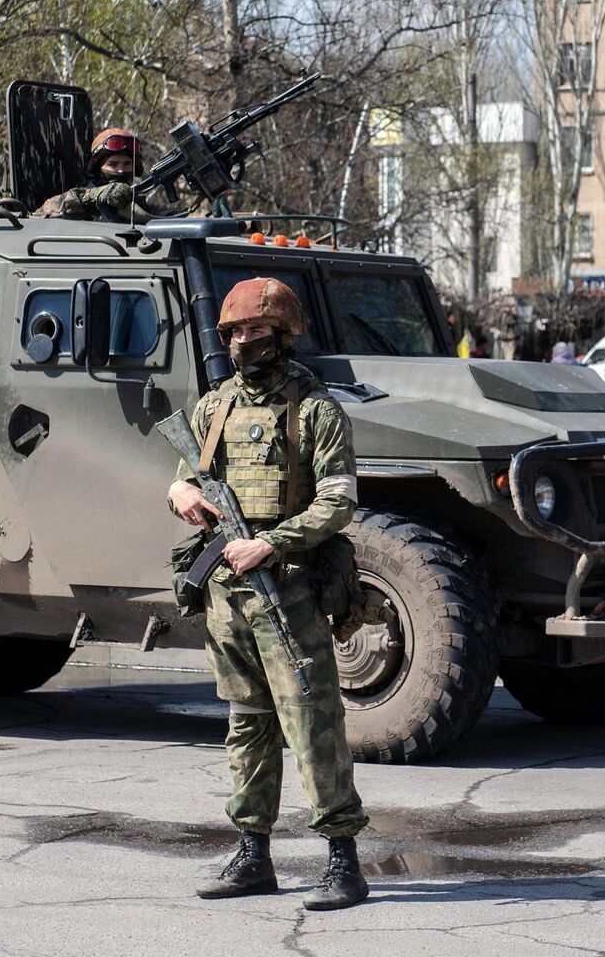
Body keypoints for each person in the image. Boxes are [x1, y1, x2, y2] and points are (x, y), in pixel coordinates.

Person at [167, 277, 369, 911]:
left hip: (290, 589)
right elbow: (185, 478)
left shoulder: (315, 409)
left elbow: (339, 500)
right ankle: (253, 853)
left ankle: (343, 860)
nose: (243, 341)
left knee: (314, 724)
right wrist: (183, 496)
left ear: (284, 335)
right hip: (227, 596)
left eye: (255, 330)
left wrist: (273, 543)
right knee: (246, 724)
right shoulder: (215, 406)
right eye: (233, 332)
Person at [35, 128, 154, 223]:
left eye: (127, 164)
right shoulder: (82, 201)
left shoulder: (135, 201)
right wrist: (93, 195)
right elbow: (40, 213)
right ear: (98, 167)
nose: (120, 171)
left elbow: (160, 215)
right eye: (113, 164)